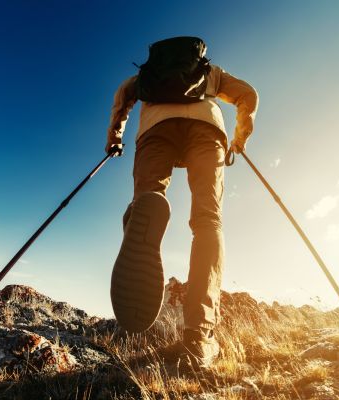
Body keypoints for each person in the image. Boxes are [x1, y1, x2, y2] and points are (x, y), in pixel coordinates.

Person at [106, 37, 258, 368]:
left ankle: (142, 218)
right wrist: (240, 137)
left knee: (148, 198)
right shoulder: (211, 72)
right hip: (207, 129)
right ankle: (199, 337)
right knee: (207, 222)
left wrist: (114, 138)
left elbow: (122, 97)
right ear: (197, 55)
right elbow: (248, 94)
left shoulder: (146, 77)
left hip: (154, 130)